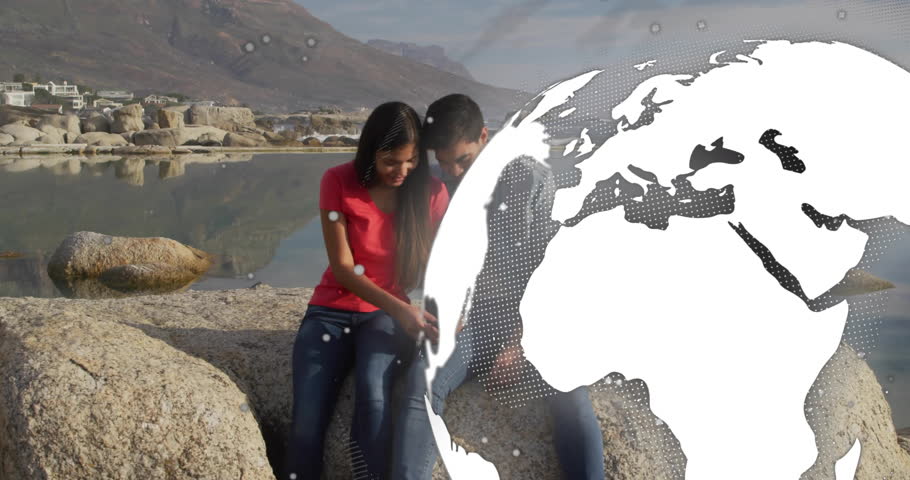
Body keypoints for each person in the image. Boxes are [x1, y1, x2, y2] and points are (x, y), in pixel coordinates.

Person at [391, 94, 606, 479]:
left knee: (572, 395)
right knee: (419, 387)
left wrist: (517, 342)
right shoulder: (440, 186)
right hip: (468, 322)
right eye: (444, 162)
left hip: (526, 319)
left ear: (484, 138)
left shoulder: (528, 177)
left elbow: (551, 268)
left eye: (463, 160)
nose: (454, 171)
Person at [285, 101, 449, 480]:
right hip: (330, 311)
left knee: (374, 397)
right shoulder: (337, 181)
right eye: (392, 161)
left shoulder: (432, 192)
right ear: (370, 150)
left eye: (411, 162)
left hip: (384, 319)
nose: (402, 171)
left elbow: (448, 263)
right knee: (307, 420)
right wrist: (403, 309)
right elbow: (343, 269)